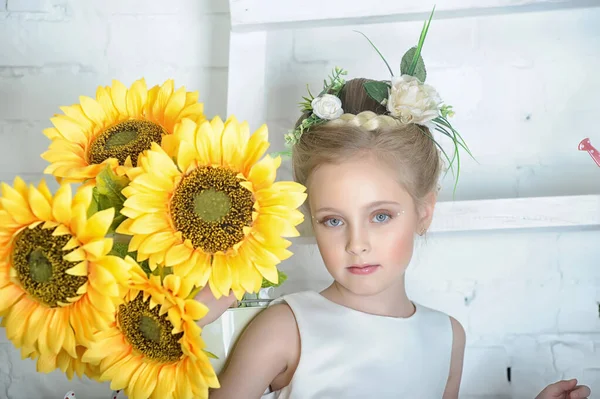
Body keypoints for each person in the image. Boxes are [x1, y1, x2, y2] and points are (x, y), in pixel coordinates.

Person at [196, 14, 592, 399]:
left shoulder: (447, 336)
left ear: (424, 212)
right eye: (333, 220)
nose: (357, 243)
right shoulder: (285, 328)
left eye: (381, 216)